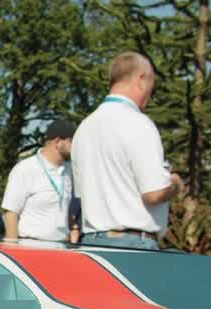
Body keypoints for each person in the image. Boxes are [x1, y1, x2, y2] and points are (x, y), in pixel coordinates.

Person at [71, 52, 183, 250]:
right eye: (151, 84)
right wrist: (175, 184)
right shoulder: (139, 123)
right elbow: (153, 194)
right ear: (141, 80)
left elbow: (81, 195)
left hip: (91, 244)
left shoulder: (84, 128)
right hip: (133, 244)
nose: (150, 92)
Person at [0, 118, 78, 243]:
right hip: (31, 245)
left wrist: (73, 229)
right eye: (71, 142)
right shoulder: (26, 169)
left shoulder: (68, 171)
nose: (75, 147)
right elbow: (11, 213)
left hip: (61, 246)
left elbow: (64, 207)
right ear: (57, 142)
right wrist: (12, 247)